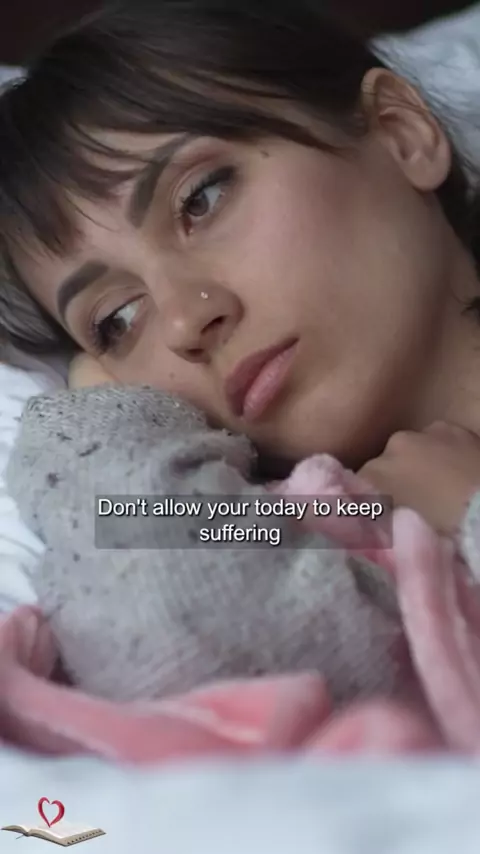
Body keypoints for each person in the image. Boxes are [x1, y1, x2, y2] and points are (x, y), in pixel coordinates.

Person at [3, 0, 480, 708]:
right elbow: (166, 604)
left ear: (400, 132)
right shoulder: (290, 524)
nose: (183, 321)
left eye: (202, 198)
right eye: (117, 321)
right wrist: (103, 415)